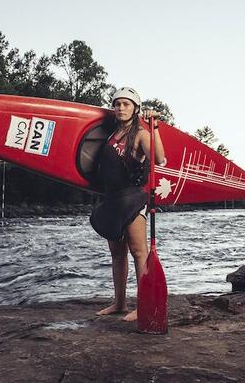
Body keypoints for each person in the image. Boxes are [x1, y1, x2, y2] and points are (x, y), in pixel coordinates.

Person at [90, 87, 165, 322]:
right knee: (116, 254)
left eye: (126, 104)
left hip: (132, 199)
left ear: (135, 109)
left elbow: (158, 159)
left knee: (138, 252)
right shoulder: (111, 134)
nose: (121, 108)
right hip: (112, 199)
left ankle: (143, 305)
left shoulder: (141, 133)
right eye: (117, 104)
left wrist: (155, 130)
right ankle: (119, 303)